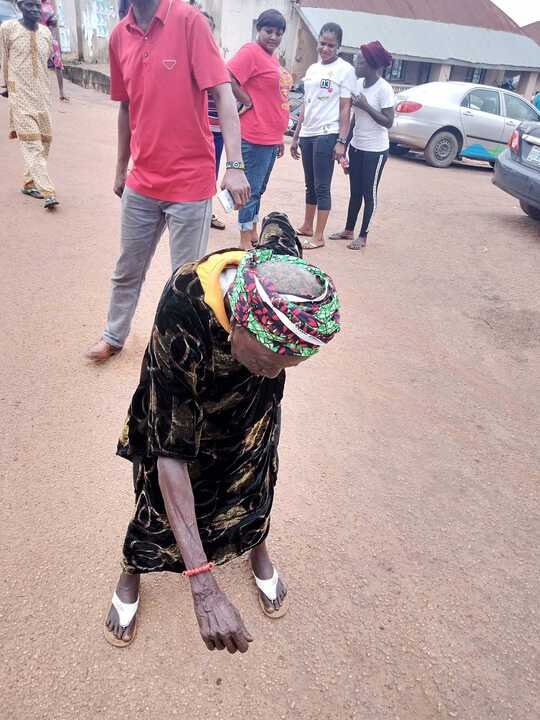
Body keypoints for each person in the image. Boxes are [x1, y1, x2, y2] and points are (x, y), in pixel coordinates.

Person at [103, 213, 341, 651]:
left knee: (254, 490)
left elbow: (278, 224)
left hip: (250, 419)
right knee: (157, 506)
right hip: (182, 414)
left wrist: (264, 219)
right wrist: (204, 586)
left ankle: (257, 551)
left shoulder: (277, 269)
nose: (272, 373)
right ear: (241, 321)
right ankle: (132, 570)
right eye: (267, 360)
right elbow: (169, 455)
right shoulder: (185, 304)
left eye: (287, 367)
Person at [86, 0, 250, 363]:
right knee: (128, 267)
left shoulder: (188, 21)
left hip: (189, 181)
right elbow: (126, 106)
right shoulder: (119, 36)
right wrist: (120, 169)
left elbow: (223, 93)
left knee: (188, 279)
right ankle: (114, 334)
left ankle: (183, 350)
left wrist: (235, 164)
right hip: (142, 180)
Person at [227, 9, 292, 250]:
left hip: (269, 136)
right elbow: (227, 75)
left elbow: (272, 97)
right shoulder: (251, 52)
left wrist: (278, 137)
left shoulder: (272, 57)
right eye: (268, 31)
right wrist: (246, 99)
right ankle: (245, 240)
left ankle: (253, 229)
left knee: (259, 188)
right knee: (250, 190)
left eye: (278, 33)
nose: (273, 37)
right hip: (254, 134)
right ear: (258, 29)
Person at [290, 22, 355, 250]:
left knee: (322, 186)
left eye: (331, 45)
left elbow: (346, 108)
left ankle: (318, 236)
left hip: (327, 134)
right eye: (322, 44)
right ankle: (307, 225)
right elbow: (305, 105)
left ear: (339, 47)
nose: (325, 49)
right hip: (308, 133)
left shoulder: (345, 70)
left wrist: (341, 141)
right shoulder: (312, 70)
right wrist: (297, 136)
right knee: (310, 184)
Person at [330, 41, 394, 250]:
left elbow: (388, 121)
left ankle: (363, 235)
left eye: (361, 62)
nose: (356, 65)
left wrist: (366, 105)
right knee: (355, 191)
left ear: (372, 65)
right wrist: (345, 146)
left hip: (375, 151)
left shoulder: (384, 89)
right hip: (357, 146)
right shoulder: (358, 85)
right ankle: (349, 230)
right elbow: (355, 119)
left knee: (369, 192)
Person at [0, 0, 59, 208]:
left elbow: (46, 64)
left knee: (45, 141)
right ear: (19, 7)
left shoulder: (45, 33)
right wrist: (4, 85)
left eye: (37, 6)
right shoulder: (8, 29)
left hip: (42, 96)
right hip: (20, 95)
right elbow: (2, 58)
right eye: (29, 5)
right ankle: (48, 190)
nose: (34, 9)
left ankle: (28, 182)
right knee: (32, 144)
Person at [202, 10, 225, 231]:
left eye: (208, 26)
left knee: (212, 172)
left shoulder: (217, 59)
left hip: (216, 130)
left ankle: (206, 213)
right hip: (194, 129)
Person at [40, 0, 68, 102]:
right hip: (39, 37)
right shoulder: (34, 3)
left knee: (58, 63)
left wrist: (53, 21)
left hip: (51, 37)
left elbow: (55, 21)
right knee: (40, 64)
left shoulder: (50, 3)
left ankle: (61, 92)